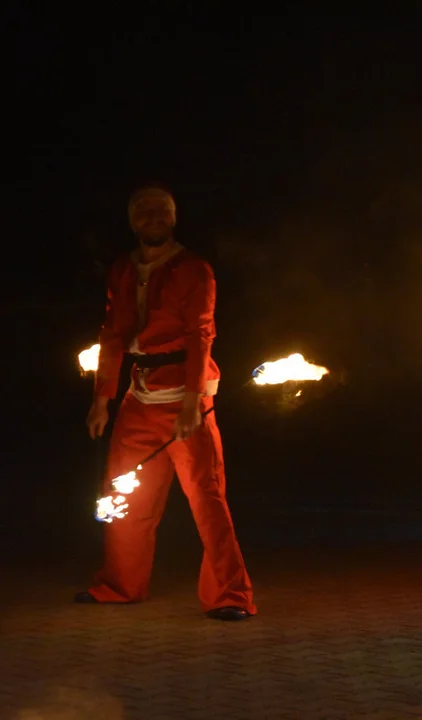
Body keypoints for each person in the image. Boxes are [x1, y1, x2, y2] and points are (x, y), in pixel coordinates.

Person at [77, 184, 257, 621]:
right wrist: (102, 399)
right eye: (143, 211)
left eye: (161, 210)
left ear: (173, 218)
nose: (153, 217)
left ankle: (231, 595)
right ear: (133, 221)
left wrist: (193, 404)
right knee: (124, 495)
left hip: (186, 400)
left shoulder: (194, 269)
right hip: (140, 399)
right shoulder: (122, 269)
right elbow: (113, 335)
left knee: (207, 499)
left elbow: (201, 335)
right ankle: (120, 585)